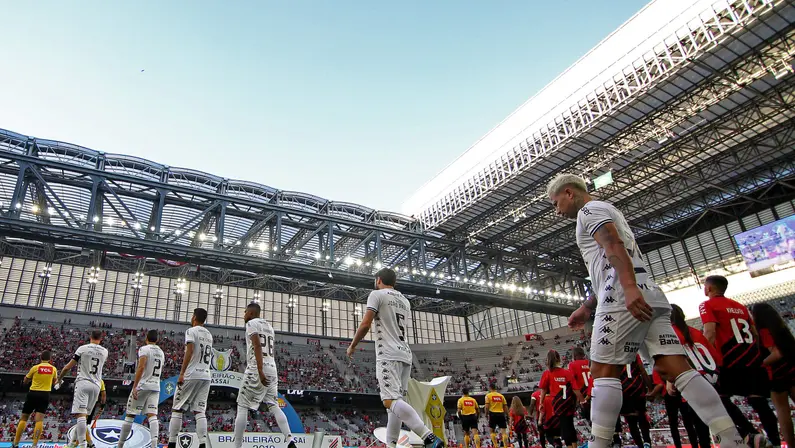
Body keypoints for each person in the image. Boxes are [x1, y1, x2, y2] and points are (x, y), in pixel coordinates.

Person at [547, 174, 744, 448]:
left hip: (621, 298)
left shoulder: (588, 211)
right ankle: (732, 439)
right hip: (650, 295)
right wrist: (587, 306)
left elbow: (612, 245)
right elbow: (612, 261)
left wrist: (628, 288)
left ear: (569, 193)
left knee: (602, 372)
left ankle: (599, 444)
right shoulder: (610, 209)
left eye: (556, 203)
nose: (557, 211)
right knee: (675, 368)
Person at [347, 268, 443, 448]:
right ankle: (391, 445)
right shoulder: (405, 301)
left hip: (388, 354)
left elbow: (366, 324)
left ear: (378, 280)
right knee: (395, 406)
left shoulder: (377, 295)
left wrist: (352, 345)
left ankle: (428, 436)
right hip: (405, 354)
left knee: (389, 401)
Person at [669, 303, 766, 448]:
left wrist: (670, 380)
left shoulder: (671, 333)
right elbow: (717, 357)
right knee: (724, 410)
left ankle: (745, 436)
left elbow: (673, 357)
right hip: (713, 378)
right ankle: (750, 434)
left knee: (701, 427)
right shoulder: (696, 332)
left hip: (693, 381)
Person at [699, 275, 780, 446]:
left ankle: (751, 433)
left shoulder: (707, 305)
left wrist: (705, 360)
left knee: (719, 399)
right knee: (759, 402)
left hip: (729, 360)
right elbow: (755, 335)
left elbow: (710, 332)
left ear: (709, 288)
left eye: (705, 286)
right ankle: (775, 442)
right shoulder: (740, 307)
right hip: (752, 359)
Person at [233, 302, 296, 448]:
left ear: (251, 313)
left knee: (242, 405)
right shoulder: (269, 327)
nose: (244, 315)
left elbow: (257, 345)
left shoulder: (251, 324)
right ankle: (290, 440)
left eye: (245, 312)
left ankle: (237, 446)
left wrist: (260, 370)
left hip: (257, 367)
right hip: (272, 368)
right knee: (274, 405)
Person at [167, 308, 213, 448]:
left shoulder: (191, 331)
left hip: (192, 373)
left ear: (194, 317)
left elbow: (190, 351)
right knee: (200, 411)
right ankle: (203, 444)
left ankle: (172, 443)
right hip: (206, 375)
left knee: (177, 408)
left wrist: (182, 373)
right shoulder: (209, 334)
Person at [751, 302, 795, 448]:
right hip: (792, 368)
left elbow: (776, 353)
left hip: (777, 374)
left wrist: (760, 364)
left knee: (783, 412)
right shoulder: (781, 328)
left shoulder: (764, 330)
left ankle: (791, 445)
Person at [57, 330, 108, 448]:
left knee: (81, 416)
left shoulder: (82, 349)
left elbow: (68, 367)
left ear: (90, 337)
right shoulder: (105, 351)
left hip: (83, 382)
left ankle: (82, 445)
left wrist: (59, 378)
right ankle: (71, 445)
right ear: (101, 338)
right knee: (84, 418)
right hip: (97, 385)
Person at [118, 330, 165, 448]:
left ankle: (120, 445)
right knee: (152, 415)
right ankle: (154, 445)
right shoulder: (161, 352)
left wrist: (135, 386)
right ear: (157, 340)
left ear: (146, 338)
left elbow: (141, 366)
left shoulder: (144, 349)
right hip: (155, 386)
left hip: (143, 385)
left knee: (130, 415)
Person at [12, 351, 58, 448]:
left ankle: (15, 443)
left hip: (33, 393)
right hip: (45, 394)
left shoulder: (35, 368)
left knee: (24, 418)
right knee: (39, 420)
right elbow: (55, 383)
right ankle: (34, 445)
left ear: (41, 358)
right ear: (50, 359)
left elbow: (26, 380)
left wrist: (28, 381)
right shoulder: (53, 369)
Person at [538, 350, 577, 448]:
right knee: (570, 426)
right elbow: (574, 389)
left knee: (565, 428)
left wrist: (541, 403)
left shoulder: (547, 373)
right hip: (569, 403)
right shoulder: (567, 372)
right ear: (559, 359)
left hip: (557, 405)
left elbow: (543, 390)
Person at [616, 355, 651, 448]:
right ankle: (647, 442)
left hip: (624, 390)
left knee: (632, 422)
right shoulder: (633, 352)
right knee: (642, 416)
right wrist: (650, 388)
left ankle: (640, 445)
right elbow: (642, 370)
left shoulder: (614, 354)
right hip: (638, 388)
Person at [567, 347, 592, 425]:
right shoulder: (589, 362)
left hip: (583, 394)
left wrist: (578, 398)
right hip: (594, 391)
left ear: (574, 355)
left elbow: (572, 381)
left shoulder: (572, 365)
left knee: (589, 419)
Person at [485, 383, 509, 448]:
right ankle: (505, 446)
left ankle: (496, 445)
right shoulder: (501, 396)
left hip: (492, 414)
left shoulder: (488, 396)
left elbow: (486, 407)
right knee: (503, 431)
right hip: (501, 414)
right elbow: (505, 406)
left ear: (490, 388)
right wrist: (507, 415)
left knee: (491, 431)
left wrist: (486, 414)